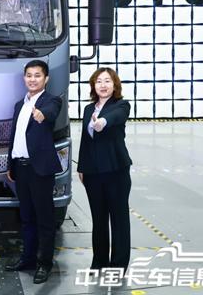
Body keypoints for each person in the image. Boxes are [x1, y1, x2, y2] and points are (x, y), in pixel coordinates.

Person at [4, 60, 63, 284]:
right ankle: (28, 258)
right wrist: (10, 165)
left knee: (45, 219)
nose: (32, 79)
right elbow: (14, 137)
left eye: (37, 75)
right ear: (24, 78)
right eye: (29, 75)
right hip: (21, 168)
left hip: (40, 170)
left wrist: (42, 115)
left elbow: (51, 112)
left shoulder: (51, 100)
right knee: (27, 217)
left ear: (46, 79)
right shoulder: (19, 105)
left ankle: (44, 264)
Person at [77, 67, 132, 273]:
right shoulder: (88, 109)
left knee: (119, 219)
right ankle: (99, 261)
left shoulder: (121, 105)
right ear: (93, 85)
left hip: (116, 171)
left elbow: (116, 117)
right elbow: (85, 141)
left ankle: (118, 264)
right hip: (92, 173)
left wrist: (102, 122)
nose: (103, 85)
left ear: (114, 85)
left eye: (107, 81)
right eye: (99, 81)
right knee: (98, 219)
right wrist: (82, 167)